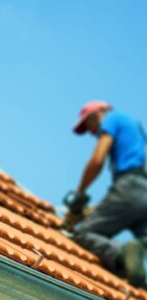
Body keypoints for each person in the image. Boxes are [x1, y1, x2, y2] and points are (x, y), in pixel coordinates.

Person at [66, 101, 147, 287]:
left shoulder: (112, 119)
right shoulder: (136, 128)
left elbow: (97, 160)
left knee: (85, 232)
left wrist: (79, 193)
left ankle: (120, 255)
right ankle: (137, 277)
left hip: (130, 185)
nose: (92, 132)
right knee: (142, 245)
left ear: (98, 114)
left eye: (89, 125)